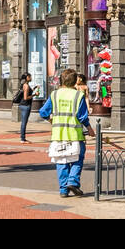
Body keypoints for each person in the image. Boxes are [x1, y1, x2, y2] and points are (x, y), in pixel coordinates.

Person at [39, 68, 94, 198]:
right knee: (77, 159)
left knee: (61, 161)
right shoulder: (78, 95)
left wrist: (50, 119)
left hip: (58, 134)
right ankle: (72, 181)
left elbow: (43, 112)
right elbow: (82, 116)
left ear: (61, 80)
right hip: (75, 134)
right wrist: (90, 129)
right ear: (75, 81)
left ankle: (64, 190)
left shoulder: (54, 95)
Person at [13, 72, 35, 143]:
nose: (31, 78)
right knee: (24, 123)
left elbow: (26, 93)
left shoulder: (24, 85)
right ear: (27, 78)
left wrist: (34, 89)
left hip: (22, 105)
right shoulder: (26, 86)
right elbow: (26, 97)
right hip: (26, 105)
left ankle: (23, 138)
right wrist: (35, 95)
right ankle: (22, 139)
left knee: (23, 122)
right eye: (30, 76)